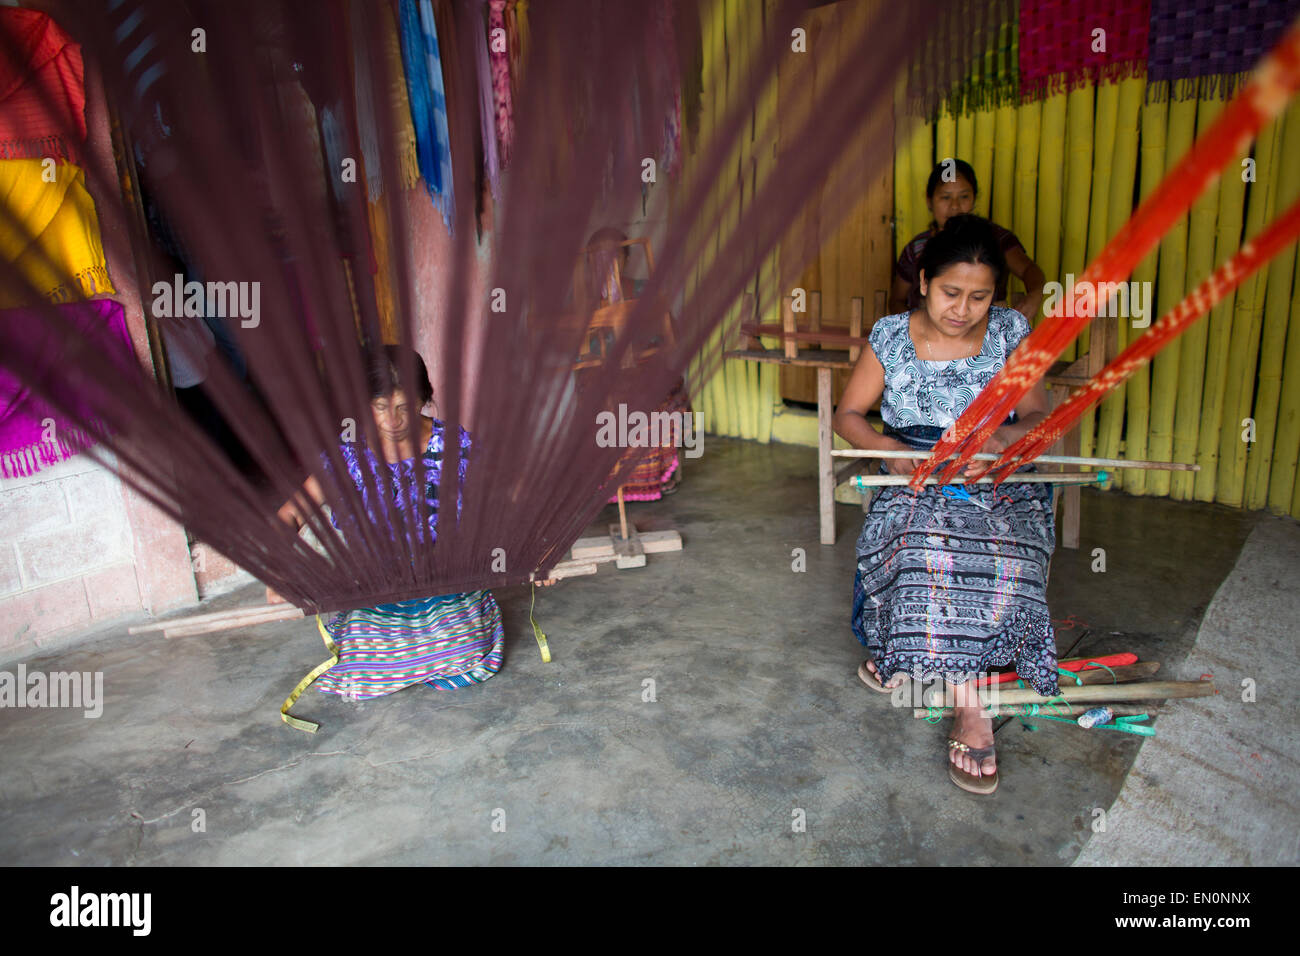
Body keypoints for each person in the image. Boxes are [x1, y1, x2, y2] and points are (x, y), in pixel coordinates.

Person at [834, 214, 1057, 795]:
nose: (963, 308)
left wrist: (1005, 441)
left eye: (979, 296)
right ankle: (970, 704)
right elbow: (848, 416)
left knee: (1007, 551)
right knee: (929, 546)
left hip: (996, 475)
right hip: (915, 475)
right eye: (951, 293)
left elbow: (1040, 417)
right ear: (925, 280)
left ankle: (942, 677)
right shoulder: (890, 336)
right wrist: (887, 450)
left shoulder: (1010, 332)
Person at [268, 344, 505, 700]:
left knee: (461, 651)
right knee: (369, 669)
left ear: (424, 398)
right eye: (379, 408)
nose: (392, 421)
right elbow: (291, 514)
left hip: (448, 588)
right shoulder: (348, 455)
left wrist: (528, 556)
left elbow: (502, 507)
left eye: (404, 407)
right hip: (376, 592)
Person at [891, 159, 1046, 323]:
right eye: (945, 197)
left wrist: (1035, 294)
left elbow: (1028, 269)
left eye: (964, 196)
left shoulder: (995, 240)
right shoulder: (917, 248)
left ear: (974, 198)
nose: (955, 206)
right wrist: (917, 327)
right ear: (929, 201)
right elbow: (896, 300)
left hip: (984, 339)